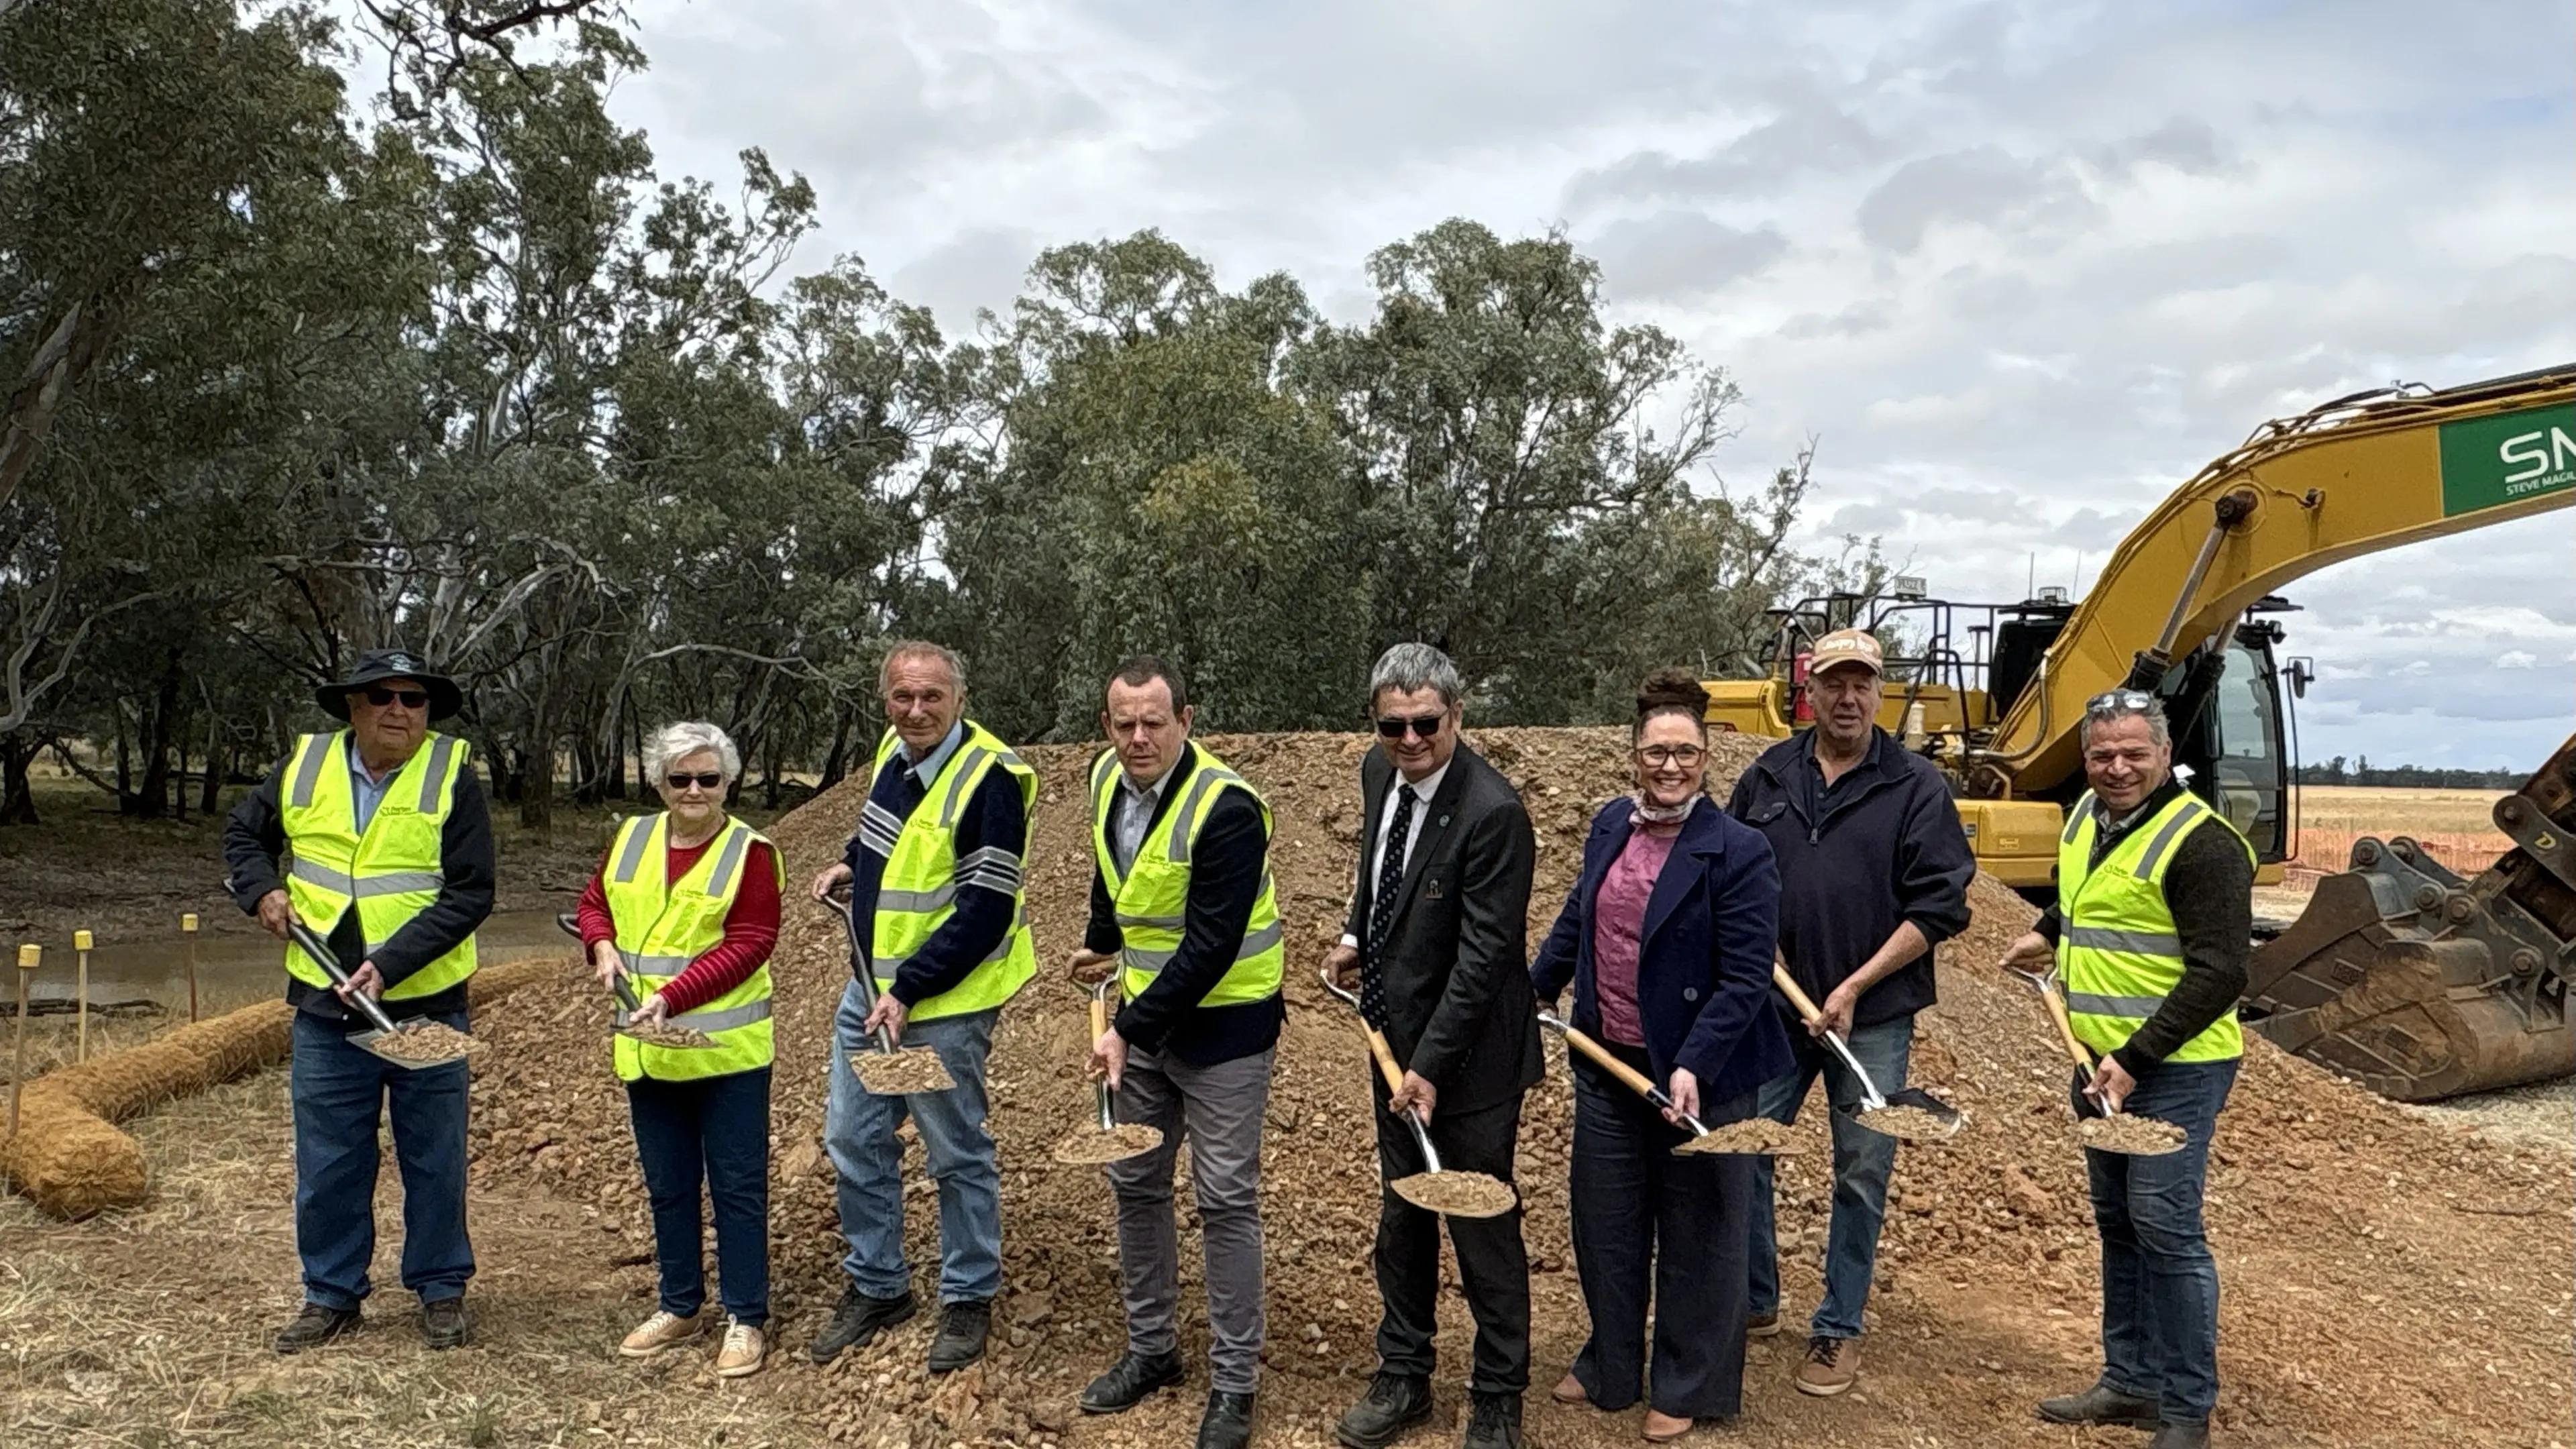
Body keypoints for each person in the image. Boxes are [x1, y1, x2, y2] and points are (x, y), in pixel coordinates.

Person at [1527, 670, 1796, 1440]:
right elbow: (1580, 915)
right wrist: (1536, 988)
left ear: (1707, 758)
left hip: (1701, 1072)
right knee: (1606, 1221)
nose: (1669, 766)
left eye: (1685, 753)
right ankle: (1611, 1360)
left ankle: (1688, 1379)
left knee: (1700, 1230)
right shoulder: (1613, 824)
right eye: (1656, 753)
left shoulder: (1739, 850)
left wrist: (1697, 1063)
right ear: (1634, 756)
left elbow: (1749, 976)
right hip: (1609, 1058)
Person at [221, 648, 494, 1354]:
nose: (398, 711)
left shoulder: (452, 778)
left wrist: (389, 963)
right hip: (322, 1003)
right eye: (382, 697)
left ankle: (440, 1288)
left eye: (413, 699)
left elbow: (472, 891)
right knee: (331, 1159)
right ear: (353, 705)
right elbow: (243, 834)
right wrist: (261, 889)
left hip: (426, 999)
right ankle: (331, 1294)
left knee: (435, 1154)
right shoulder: (305, 767)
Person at [1998, 692, 2252, 1449]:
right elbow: (2082, 902)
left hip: (2173, 1069)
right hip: (2094, 1062)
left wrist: (2136, 1061)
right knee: (2119, 1223)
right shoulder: (2085, 818)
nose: (2117, 768)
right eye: (2103, 755)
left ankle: (2184, 1410)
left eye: (2134, 754)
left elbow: (2220, 974)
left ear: (2165, 755)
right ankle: (2130, 1380)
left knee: (2166, 1228)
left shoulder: (2203, 845)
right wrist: (2046, 932)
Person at [1725, 626, 1974, 1397]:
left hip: (1873, 1015)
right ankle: (1757, 1299)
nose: (1849, 696)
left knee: (1861, 1173)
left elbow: (1940, 906)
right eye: (1834, 682)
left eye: (1863, 682)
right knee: (1744, 1150)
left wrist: (1855, 986)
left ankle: (1837, 1329)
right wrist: (1752, 952)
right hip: (1778, 1010)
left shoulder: (1915, 787)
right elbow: (1732, 876)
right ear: (1812, 689)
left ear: (1880, 691)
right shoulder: (1768, 775)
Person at [1322, 642, 1541, 1449]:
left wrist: (1429, 1068)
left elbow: (1486, 960)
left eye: (1425, 725)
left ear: (1456, 715)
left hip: (1470, 1063)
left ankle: (1497, 1392)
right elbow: (1378, 873)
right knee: (1403, 1220)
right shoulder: (1381, 774)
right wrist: (1355, 937)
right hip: (1393, 1042)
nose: (1409, 741)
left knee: (1481, 1226)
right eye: (1392, 726)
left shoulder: (1495, 813)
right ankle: (1404, 1373)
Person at [1067, 656, 1284, 1449]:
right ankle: (1153, 1350)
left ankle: (1234, 1383)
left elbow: (1212, 946)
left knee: (1225, 1198)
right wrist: (1100, 942)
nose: (1138, 738)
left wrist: (1125, 1029)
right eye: (1123, 723)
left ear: (1186, 720)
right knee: (1136, 1182)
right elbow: (1112, 868)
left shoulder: (1227, 808)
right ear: (1106, 727)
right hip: (1148, 1022)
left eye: (1154, 721)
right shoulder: (1103, 778)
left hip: (1226, 1029)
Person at [805, 642, 1036, 1373]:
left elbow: (986, 911)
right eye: (902, 696)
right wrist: (849, 859)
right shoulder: (896, 751)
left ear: (960, 700)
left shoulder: (990, 780)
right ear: (886, 700)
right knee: (853, 1136)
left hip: (943, 1006)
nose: (916, 710)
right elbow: (886, 834)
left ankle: (968, 1294)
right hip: (870, 992)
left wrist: (910, 989)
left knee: (954, 1150)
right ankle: (879, 1284)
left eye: (931, 697)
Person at [575, 722, 782, 1377]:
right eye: (680, 778)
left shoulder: (750, 851)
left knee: (737, 1187)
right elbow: (593, 903)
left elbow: (751, 941)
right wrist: (601, 945)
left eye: (709, 778)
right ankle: (681, 1303)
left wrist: (673, 996)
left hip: (725, 1054)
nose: (694, 790)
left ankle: (745, 1317)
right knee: (668, 1186)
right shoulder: (633, 837)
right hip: (649, 1050)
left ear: (729, 782)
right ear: (660, 783)